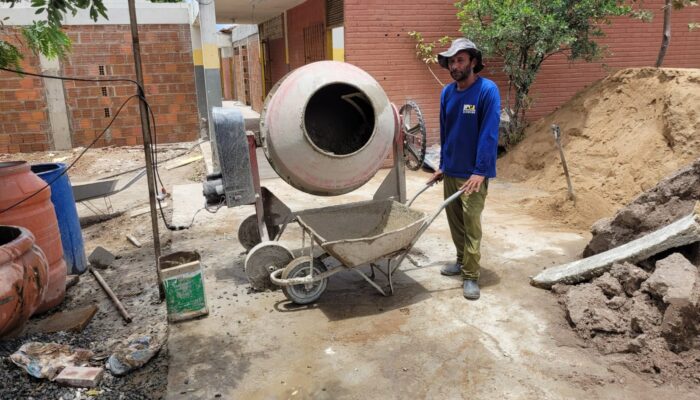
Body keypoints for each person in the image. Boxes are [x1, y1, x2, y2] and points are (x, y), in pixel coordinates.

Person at [427, 38, 500, 300]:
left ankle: (471, 275)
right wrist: (443, 166)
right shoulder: (447, 93)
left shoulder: (487, 91)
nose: (454, 65)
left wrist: (480, 171)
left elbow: (489, 135)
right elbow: (446, 132)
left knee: (471, 225)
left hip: (473, 176)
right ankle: (460, 261)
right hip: (452, 170)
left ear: (473, 62)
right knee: (455, 222)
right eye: (451, 61)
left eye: (460, 60)